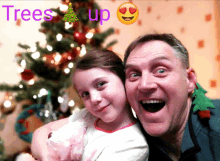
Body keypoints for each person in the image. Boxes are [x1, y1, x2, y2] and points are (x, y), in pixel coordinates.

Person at [31, 49, 149, 161]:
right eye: (85, 94)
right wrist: (47, 157)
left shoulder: (133, 144)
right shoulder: (86, 116)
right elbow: (41, 132)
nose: (94, 99)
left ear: (123, 79)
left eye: (101, 84)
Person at [124, 33, 220, 161]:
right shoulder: (127, 145)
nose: (144, 85)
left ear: (190, 80)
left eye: (161, 70)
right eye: (134, 75)